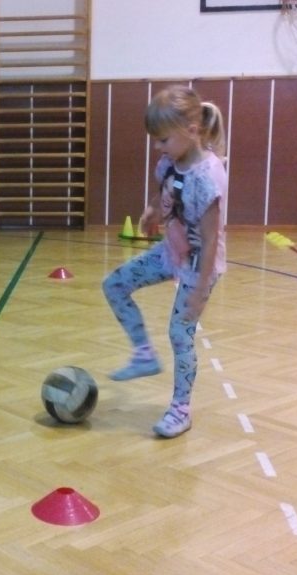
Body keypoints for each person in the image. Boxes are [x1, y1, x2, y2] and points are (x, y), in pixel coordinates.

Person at [101, 85, 227, 439]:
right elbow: (166, 190)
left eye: (163, 140)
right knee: (114, 284)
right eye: (155, 140)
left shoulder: (208, 177)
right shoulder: (171, 161)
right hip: (170, 251)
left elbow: (211, 238)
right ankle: (144, 354)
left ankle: (180, 410)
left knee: (179, 332)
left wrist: (199, 289)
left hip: (198, 264)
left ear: (191, 130)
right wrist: (153, 210)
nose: (158, 147)